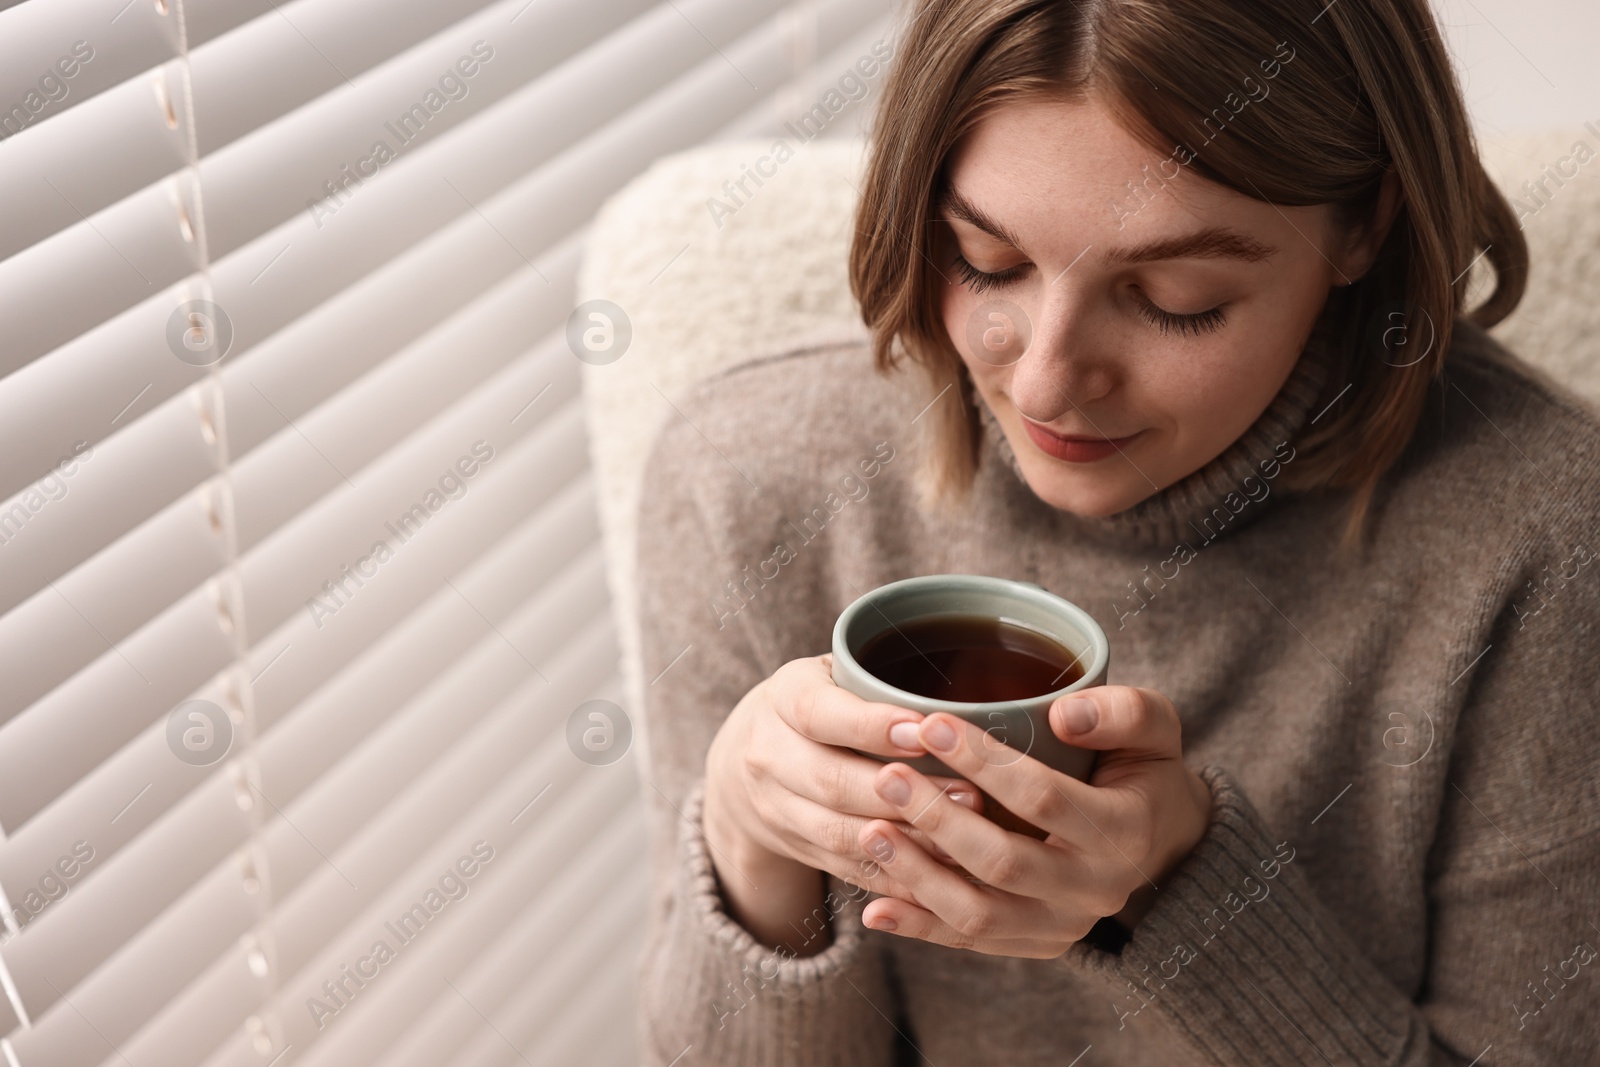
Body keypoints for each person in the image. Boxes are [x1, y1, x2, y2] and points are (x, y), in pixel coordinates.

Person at [632, 1, 1600, 1063]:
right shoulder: (754, 480)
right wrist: (747, 833)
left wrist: (1182, 891)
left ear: (1364, 225)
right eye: (984, 259)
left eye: (1175, 298)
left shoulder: (1543, 538)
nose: (1044, 379)